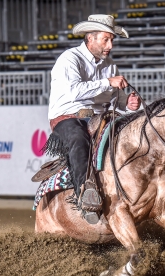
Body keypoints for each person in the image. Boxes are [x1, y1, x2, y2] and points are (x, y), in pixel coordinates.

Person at [45, 14, 141, 222]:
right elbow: (75, 92)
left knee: (131, 134)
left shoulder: (110, 66)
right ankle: (84, 194)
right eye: (106, 39)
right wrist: (108, 82)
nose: (110, 45)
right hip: (68, 117)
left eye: (112, 40)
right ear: (91, 38)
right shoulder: (69, 59)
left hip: (99, 117)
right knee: (79, 139)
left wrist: (128, 103)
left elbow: (115, 99)